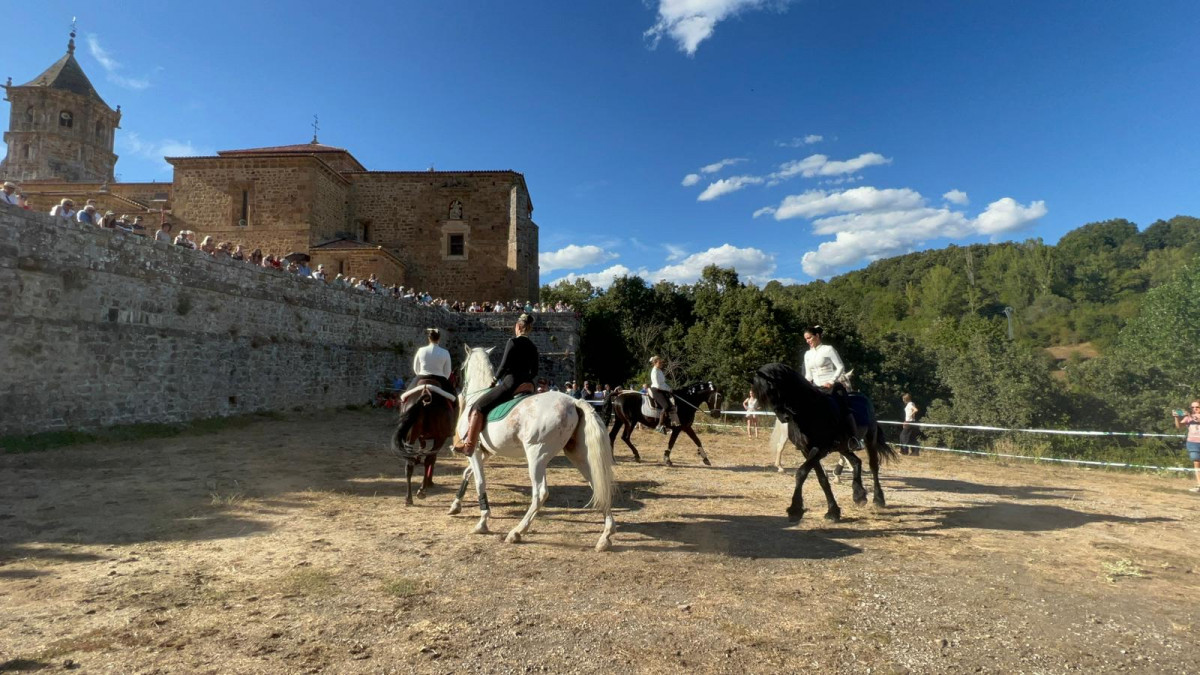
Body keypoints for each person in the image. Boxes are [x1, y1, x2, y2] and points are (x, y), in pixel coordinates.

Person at [455, 313, 539, 456]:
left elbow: (504, 365)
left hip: (511, 384)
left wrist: (494, 379)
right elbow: (535, 371)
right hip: (529, 385)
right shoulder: (533, 346)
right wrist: (526, 378)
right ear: (529, 329)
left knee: (478, 407)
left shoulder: (512, 342)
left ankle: (468, 445)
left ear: (518, 327)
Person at [802, 325, 863, 451]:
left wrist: (831, 381)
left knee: (843, 408)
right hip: (816, 387)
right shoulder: (807, 354)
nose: (808, 341)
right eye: (806, 339)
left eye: (809, 338)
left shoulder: (828, 349)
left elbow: (840, 367)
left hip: (831, 385)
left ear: (817, 336)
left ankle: (854, 438)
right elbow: (808, 375)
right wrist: (804, 384)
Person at [411, 327, 452, 392]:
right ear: (439, 339)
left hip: (422, 377)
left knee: (405, 397)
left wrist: (421, 374)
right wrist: (443, 379)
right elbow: (447, 371)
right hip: (440, 379)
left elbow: (416, 368)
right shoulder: (445, 352)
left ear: (429, 338)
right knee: (454, 398)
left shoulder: (420, 350)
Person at [1172, 400, 1200, 493]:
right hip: (1193, 443)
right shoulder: (1188, 417)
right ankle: (1199, 484)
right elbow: (1179, 426)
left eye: (1197, 407)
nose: (1194, 409)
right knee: (1196, 462)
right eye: (1192, 407)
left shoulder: (1191, 416)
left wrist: (1189, 415)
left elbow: (1197, 420)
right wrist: (1176, 417)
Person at [649, 355, 679, 432]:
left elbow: (663, 383)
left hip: (662, 390)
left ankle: (668, 424)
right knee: (665, 406)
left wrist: (670, 388)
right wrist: (668, 390)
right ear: (655, 363)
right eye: (660, 362)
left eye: (661, 362)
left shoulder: (659, 371)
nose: (661, 364)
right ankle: (659, 425)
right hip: (656, 390)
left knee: (671, 405)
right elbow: (658, 385)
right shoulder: (654, 371)